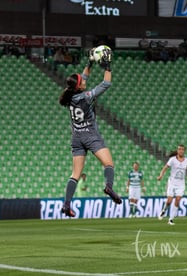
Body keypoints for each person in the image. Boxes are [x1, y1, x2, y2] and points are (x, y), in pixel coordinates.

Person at [59, 47, 122, 218]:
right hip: (90, 135)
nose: (84, 79)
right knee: (109, 164)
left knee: (75, 174)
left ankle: (66, 205)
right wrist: (107, 66)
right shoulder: (86, 96)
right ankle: (109, 186)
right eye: (82, 80)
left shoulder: (70, 96)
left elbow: (83, 76)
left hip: (76, 137)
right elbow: (106, 84)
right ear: (79, 86)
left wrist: (90, 63)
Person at [157, 144, 187, 225]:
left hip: (181, 184)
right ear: (177, 151)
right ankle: (164, 210)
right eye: (179, 149)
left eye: (182, 149)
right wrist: (161, 175)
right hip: (172, 183)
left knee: (178, 199)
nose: (181, 151)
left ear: (184, 151)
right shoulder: (172, 159)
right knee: (169, 201)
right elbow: (165, 168)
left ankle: (171, 219)